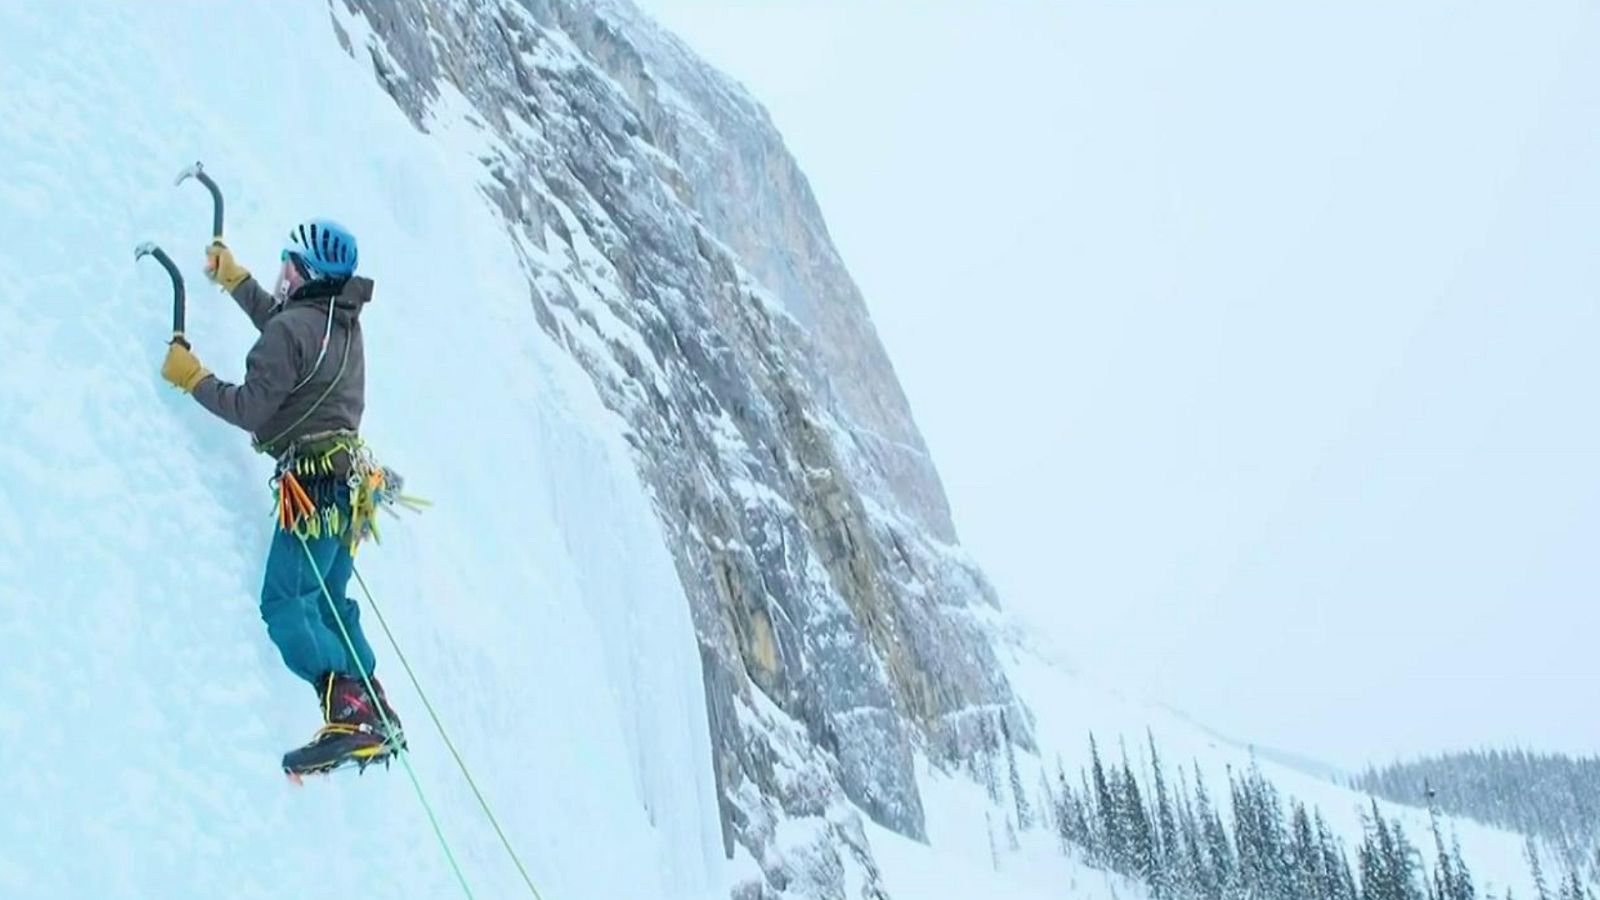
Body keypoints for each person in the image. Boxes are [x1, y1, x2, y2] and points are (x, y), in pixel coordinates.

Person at [160, 219, 405, 775]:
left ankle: (353, 714)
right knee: (328, 601)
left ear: (305, 275)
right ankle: (373, 708)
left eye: (288, 267)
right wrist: (235, 280)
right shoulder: (338, 322)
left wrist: (193, 378)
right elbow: (286, 333)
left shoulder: (295, 327)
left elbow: (251, 406)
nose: (282, 275)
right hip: (347, 489)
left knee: (287, 603)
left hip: (313, 490)